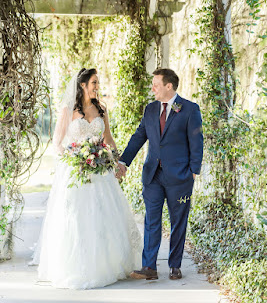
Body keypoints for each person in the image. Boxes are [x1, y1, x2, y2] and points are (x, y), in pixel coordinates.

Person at [31, 68, 142, 289]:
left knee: (103, 215)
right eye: (94, 83)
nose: (97, 87)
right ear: (82, 85)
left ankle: (108, 264)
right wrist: (76, 161)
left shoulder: (101, 109)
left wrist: (117, 161)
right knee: (77, 218)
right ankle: (78, 267)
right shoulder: (67, 110)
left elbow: (107, 137)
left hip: (100, 171)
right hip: (76, 172)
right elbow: (57, 143)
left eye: (97, 83)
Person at [118, 68, 203, 281]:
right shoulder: (150, 109)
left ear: (169, 86)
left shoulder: (189, 110)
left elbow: (197, 142)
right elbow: (139, 137)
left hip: (180, 176)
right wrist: (123, 162)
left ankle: (175, 266)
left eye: (156, 83)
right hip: (153, 175)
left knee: (178, 222)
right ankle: (149, 267)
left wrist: (193, 172)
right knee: (151, 220)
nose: (152, 87)